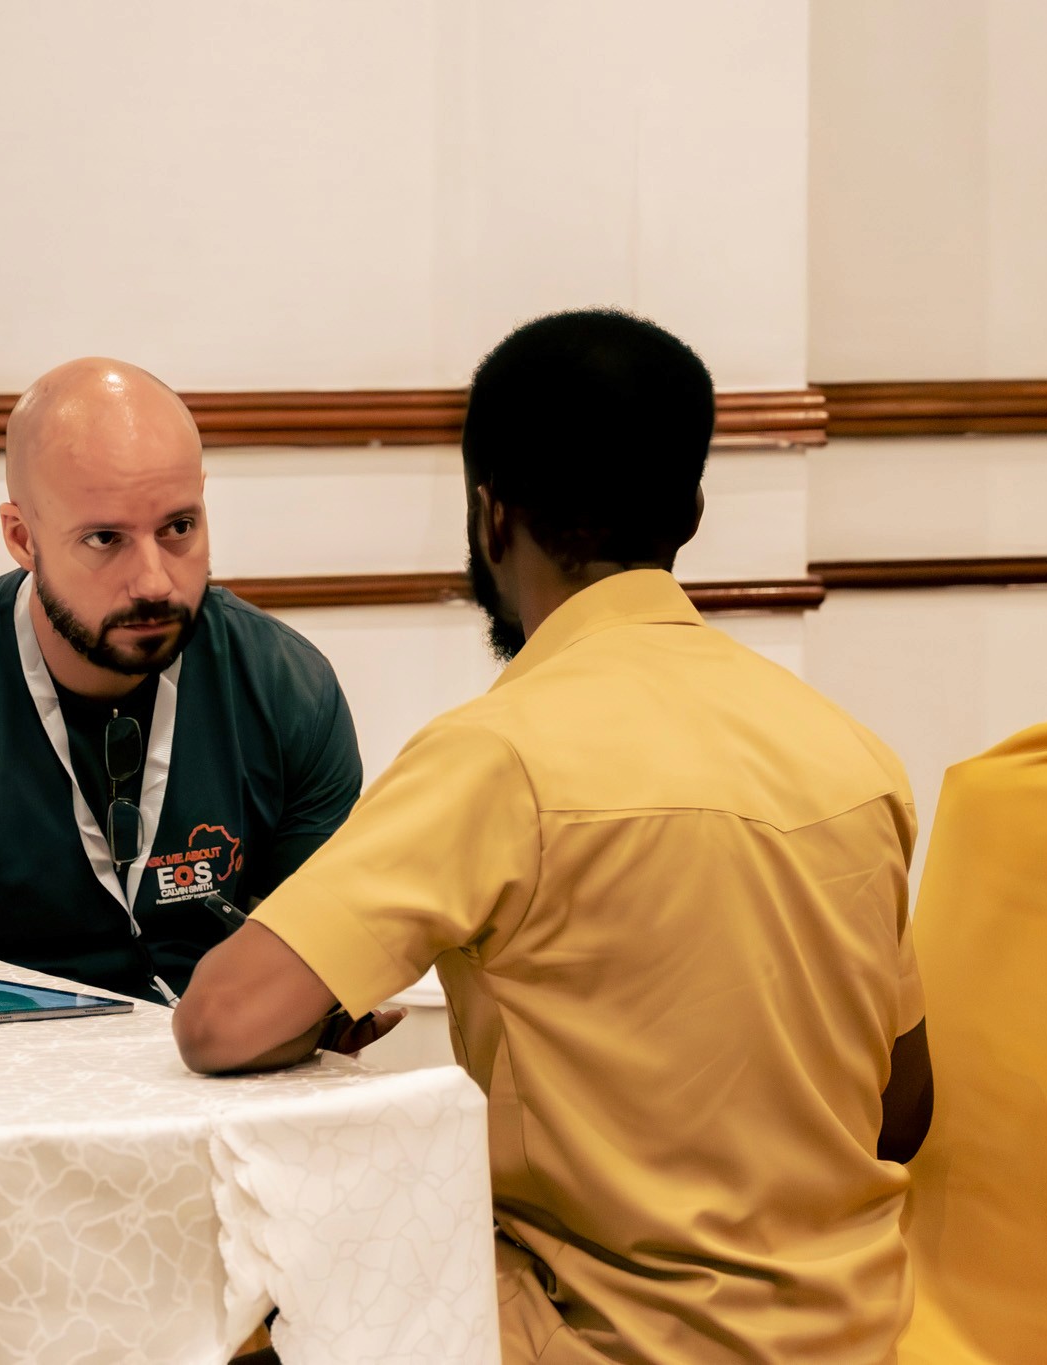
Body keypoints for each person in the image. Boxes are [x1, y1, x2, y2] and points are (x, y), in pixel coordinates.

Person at [175, 311, 933, 1364]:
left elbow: (218, 1019)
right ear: (692, 509)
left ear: (490, 515)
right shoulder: (853, 756)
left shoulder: (494, 759)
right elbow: (899, 1111)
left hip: (586, 1342)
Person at [0, 357, 363, 1004]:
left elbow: (321, 969)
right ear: (22, 537)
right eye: (104, 538)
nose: (154, 580)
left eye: (179, 527)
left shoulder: (287, 688)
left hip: (221, 1073)